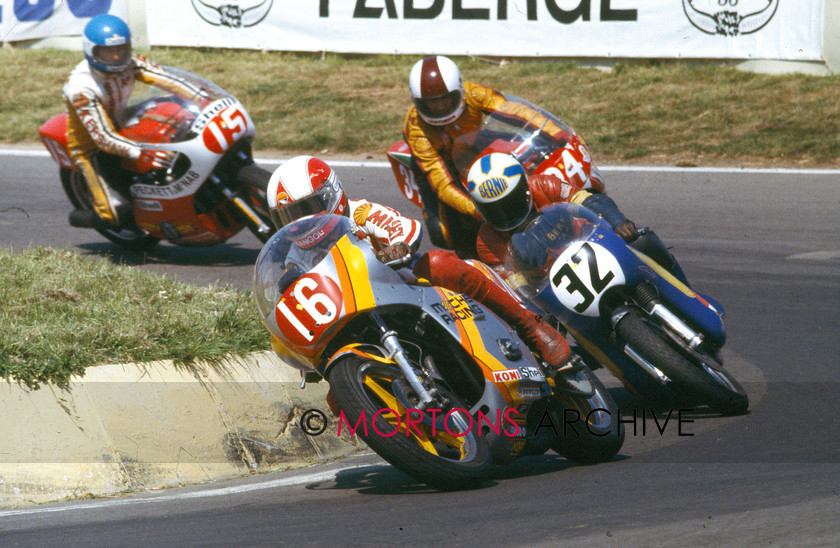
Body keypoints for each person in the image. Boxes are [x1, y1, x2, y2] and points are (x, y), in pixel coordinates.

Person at [266, 155, 571, 368]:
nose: (301, 221)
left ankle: (530, 325)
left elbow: (402, 228)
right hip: (359, 314)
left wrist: (393, 249)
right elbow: (294, 278)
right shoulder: (298, 252)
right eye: (289, 216)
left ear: (330, 194)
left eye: (306, 208)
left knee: (440, 263)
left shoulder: (358, 213)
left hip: (403, 289)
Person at [402, 55, 601, 257]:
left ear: (459, 91)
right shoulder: (417, 130)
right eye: (431, 103)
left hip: (474, 142)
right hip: (441, 163)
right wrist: (477, 210)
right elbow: (442, 184)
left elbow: (514, 111)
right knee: (444, 232)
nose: (440, 107)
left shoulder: (474, 93)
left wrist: (558, 134)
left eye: (446, 99)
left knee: (530, 154)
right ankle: (482, 260)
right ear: (417, 103)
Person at [63, 14, 210, 228]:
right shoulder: (81, 87)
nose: (116, 57)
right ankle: (94, 217)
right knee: (114, 215)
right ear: (91, 50)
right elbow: (103, 138)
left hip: (124, 122)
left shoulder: (130, 63)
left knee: (177, 115)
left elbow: (169, 81)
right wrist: (145, 152)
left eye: (120, 49)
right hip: (93, 149)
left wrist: (204, 101)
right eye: (108, 51)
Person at [467, 152, 690, 285]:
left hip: (592, 244)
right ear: (481, 210)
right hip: (554, 286)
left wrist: (616, 220)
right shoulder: (486, 242)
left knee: (643, 240)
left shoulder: (545, 184)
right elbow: (514, 284)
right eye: (495, 210)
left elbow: (589, 200)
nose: (507, 214)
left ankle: (687, 291)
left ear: (525, 188)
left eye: (511, 202)